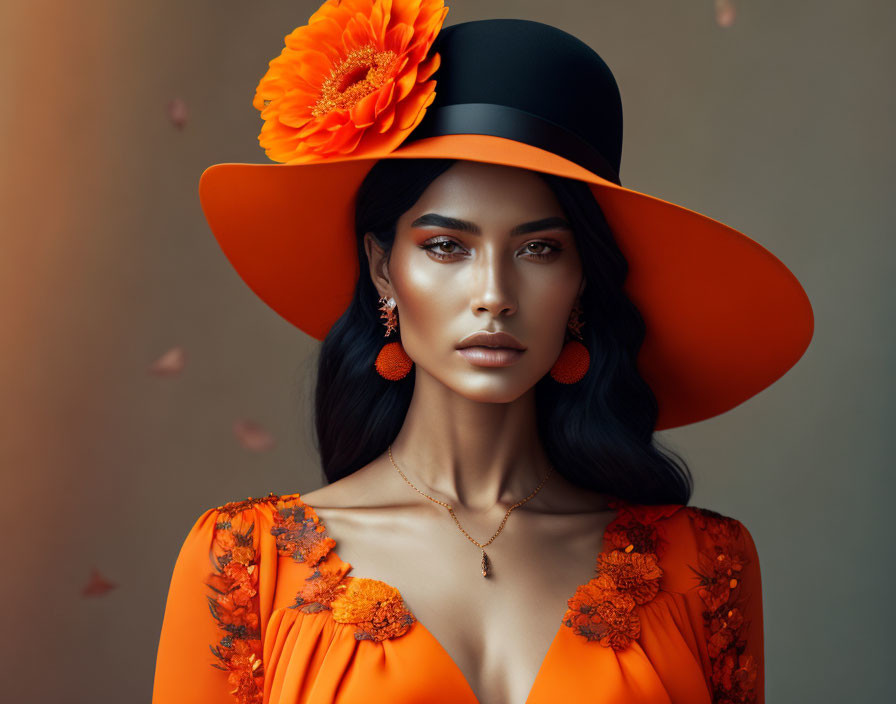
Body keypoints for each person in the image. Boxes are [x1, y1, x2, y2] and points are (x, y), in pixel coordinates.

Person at [152, 2, 814, 703]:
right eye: (446, 246)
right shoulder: (245, 561)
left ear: (581, 278)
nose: (494, 293)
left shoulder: (706, 564)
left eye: (538, 249)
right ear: (383, 268)